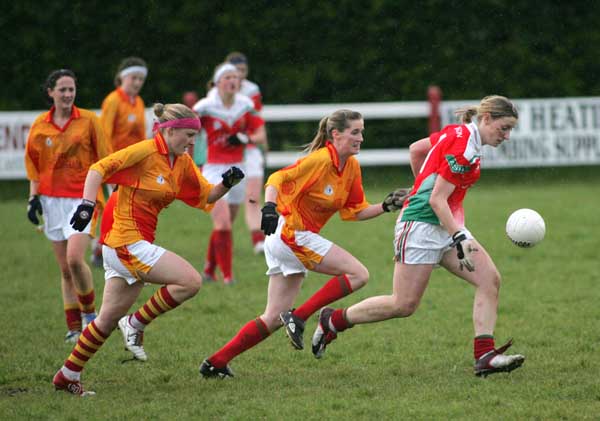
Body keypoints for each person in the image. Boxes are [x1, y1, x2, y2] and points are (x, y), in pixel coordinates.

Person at [311, 96, 526, 377]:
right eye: (503, 128)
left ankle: (484, 355)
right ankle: (333, 320)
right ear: (486, 119)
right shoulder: (464, 148)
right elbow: (437, 200)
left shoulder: (458, 133)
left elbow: (416, 150)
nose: (507, 136)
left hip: (444, 225)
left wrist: (419, 187)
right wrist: (455, 232)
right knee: (403, 304)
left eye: (510, 130)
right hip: (421, 227)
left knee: (489, 280)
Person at [52, 102, 245, 396]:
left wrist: (227, 184)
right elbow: (98, 169)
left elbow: (206, 195)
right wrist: (87, 205)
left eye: (195, 136)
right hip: (126, 243)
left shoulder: (180, 162)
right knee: (190, 281)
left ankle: (67, 375)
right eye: (188, 135)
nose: (193, 142)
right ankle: (135, 322)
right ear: (168, 131)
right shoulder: (145, 151)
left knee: (104, 321)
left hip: (128, 247)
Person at [198, 109, 408, 378]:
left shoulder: (351, 166)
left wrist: (386, 205)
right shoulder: (320, 160)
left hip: (291, 238)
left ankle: (216, 362)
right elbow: (276, 178)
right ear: (336, 134)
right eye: (355, 132)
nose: (361, 138)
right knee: (358, 274)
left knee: (273, 317)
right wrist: (270, 207)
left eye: (361, 131)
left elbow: (355, 211)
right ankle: (302, 316)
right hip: (290, 232)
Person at [25, 69, 110, 343]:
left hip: (82, 199)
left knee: (75, 259)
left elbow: (106, 160)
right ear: (50, 92)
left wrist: (114, 194)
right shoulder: (40, 125)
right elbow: (34, 166)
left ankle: (90, 318)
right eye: (62, 89)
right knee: (64, 269)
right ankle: (74, 327)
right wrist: (33, 198)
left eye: (71, 89)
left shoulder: (89, 121)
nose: (67, 94)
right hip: (51, 200)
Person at [193, 63, 267, 285]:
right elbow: (186, 128)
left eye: (236, 77)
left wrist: (247, 139)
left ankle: (208, 269)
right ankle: (228, 277)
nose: (233, 81)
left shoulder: (245, 105)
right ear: (217, 82)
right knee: (223, 223)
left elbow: (260, 134)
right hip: (213, 169)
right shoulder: (205, 106)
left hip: (238, 169)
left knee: (225, 224)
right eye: (228, 77)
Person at [89, 57, 148, 267]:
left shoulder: (139, 102)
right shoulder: (113, 100)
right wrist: (110, 165)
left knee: (128, 207)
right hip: (115, 165)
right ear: (123, 77)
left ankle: (114, 247)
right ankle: (101, 249)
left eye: (141, 78)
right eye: (134, 77)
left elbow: (141, 137)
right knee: (116, 206)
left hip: (133, 166)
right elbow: (103, 135)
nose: (137, 82)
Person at [225, 51, 269, 254]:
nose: (240, 75)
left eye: (243, 70)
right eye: (236, 71)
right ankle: (221, 240)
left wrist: (262, 144)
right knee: (229, 204)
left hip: (249, 150)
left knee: (252, 196)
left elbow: (257, 120)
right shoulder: (218, 91)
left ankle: (258, 240)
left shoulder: (252, 90)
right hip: (227, 154)